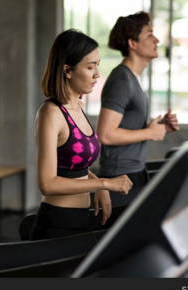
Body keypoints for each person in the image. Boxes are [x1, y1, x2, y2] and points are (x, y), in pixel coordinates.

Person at [31, 29, 133, 240]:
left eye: (98, 64)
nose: (97, 74)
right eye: (90, 66)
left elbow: (72, 168)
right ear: (68, 70)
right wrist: (104, 183)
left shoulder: (77, 107)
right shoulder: (52, 113)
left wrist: (98, 186)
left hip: (81, 219)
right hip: (57, 224)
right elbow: (47, 183)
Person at [97, 12, 179, 207]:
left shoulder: (132, 79)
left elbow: (126, 124)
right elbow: (106, 134)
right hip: (120, 175)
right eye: (149, 34)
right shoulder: (121, 80)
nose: (157, 40)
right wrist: (149, 133)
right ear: (132, 44)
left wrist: (158, 126)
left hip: (135, 171)